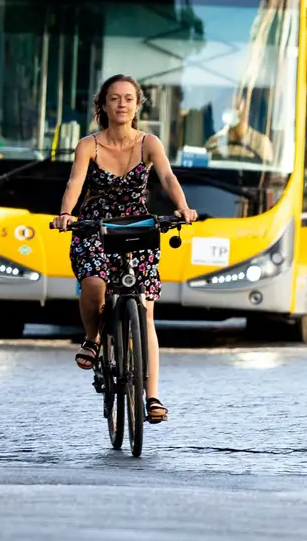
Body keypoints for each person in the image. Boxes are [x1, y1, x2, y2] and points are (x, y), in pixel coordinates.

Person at [49, 74, 199, 425]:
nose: (121, 104)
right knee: (94, 284)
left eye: (128, 98)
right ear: (102, 104)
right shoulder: (89, 145)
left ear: (137, 105)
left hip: (137, 227)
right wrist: (66, 215)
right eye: (114, 98)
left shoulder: (149, 143)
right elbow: (75, 182)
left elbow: (168, 178)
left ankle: (152, 396)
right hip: (94, 225)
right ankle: (92, 338)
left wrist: (183, 207)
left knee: (145, 313)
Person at [208, 92, 276, 163]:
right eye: (229, 106)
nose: (234, 110)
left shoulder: (261, 143)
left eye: (237, 105)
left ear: (246, 106)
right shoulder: (213, 142)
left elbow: (266, 172)